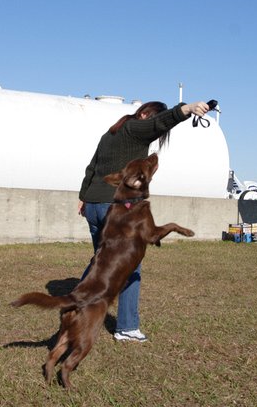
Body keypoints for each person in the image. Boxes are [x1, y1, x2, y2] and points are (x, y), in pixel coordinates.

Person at [78, 99, 210, 342]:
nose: (155, 130)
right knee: (130, 265)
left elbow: (92, 167)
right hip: (116, 207)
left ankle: (77, 302)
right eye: (151, 120)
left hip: (94, 205)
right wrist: (188, 109)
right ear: (144, 115)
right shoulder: (134, 128)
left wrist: (83, 197)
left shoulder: (111, 133)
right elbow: (160, 122)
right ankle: (127, 327)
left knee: (101, 260)